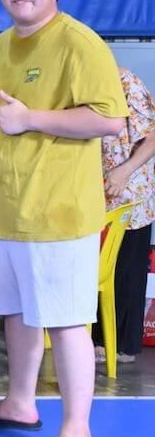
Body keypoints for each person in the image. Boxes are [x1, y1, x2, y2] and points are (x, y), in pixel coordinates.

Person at [0, 0, 126, 437]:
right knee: (16, 313)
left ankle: (78, 432)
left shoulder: (79, 42)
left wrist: (32, 119)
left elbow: (111, 119)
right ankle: (19, 403)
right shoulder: (1, 45)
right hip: (6, 210)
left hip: (57, 214)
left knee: (65, 322)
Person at [96, 67, 155, 364]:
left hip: (130, 189)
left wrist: (124, 171)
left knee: (125, 270)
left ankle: (121, 345)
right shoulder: (76, 86)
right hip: (95, 193)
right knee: (97, 271)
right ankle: (97, 340)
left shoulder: (125, 82)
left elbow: (152, 137)